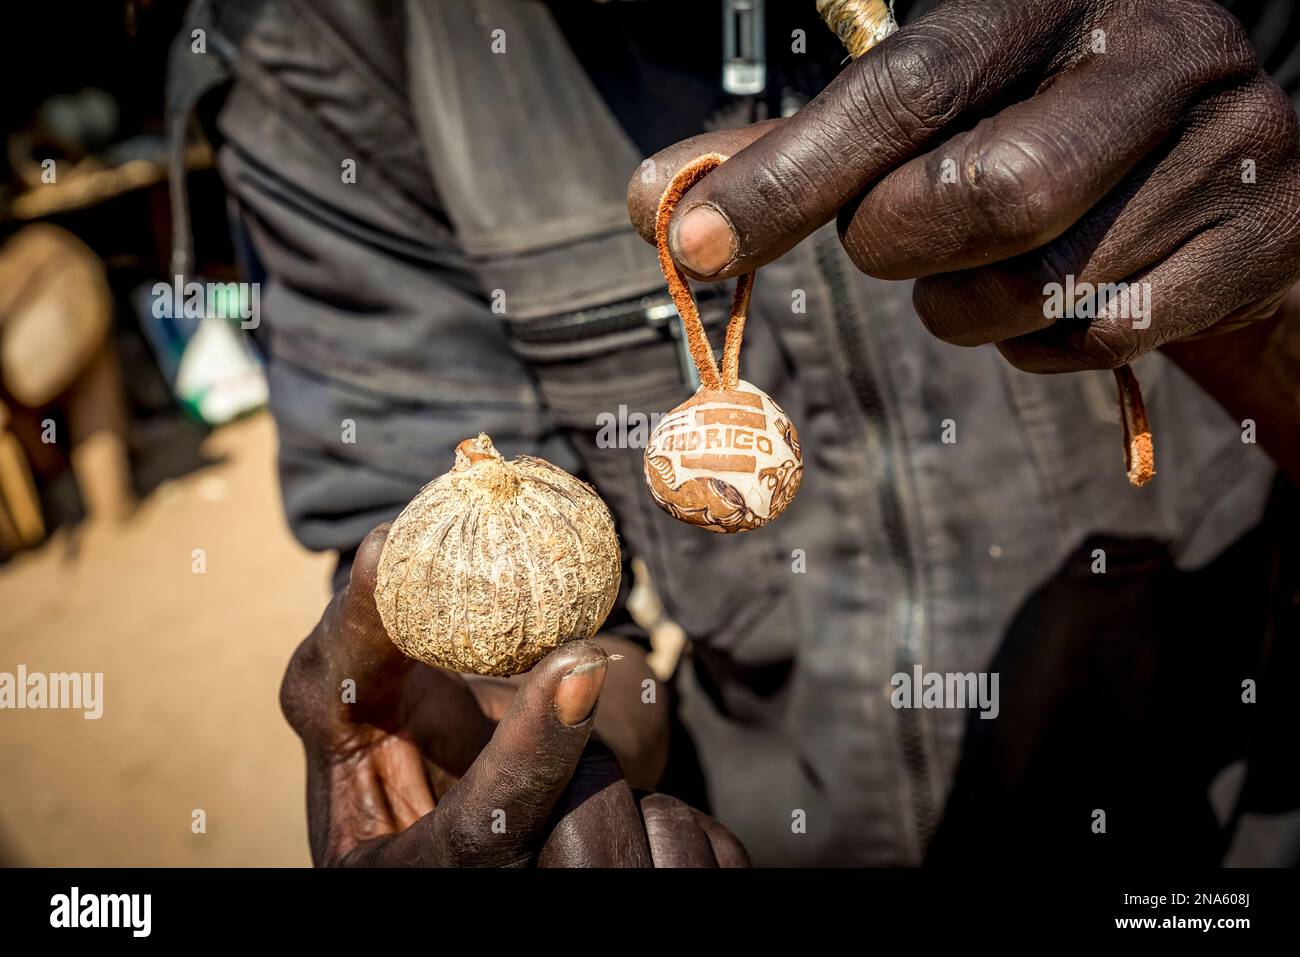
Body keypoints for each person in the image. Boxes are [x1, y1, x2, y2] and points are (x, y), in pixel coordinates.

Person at [173, 0, 1300, 865]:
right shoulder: (334, 46)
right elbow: (511, 618)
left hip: (1217, 812)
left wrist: (1256, 303)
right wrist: (522, 734)